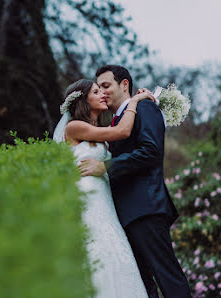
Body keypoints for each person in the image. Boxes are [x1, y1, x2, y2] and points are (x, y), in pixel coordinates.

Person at [79, 65, 191, 298]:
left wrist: (105, 166)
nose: (102, 92)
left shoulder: (145, 107)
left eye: (107, 86)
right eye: (98, 88)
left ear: (125, 85)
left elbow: (151, 151)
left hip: (145, 208)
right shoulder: (117, 122)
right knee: (143, 285)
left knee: (167, 277)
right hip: (125, 216)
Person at [53, 78, 155, 298]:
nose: (102, 95)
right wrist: (135, 100)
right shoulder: (75, 127)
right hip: (88, 197)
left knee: (115, 249)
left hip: (104, 199)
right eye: (96, 91)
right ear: (83, 99)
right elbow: (122, 131)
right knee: (97, 250)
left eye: (102, 90)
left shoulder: (95, 129)